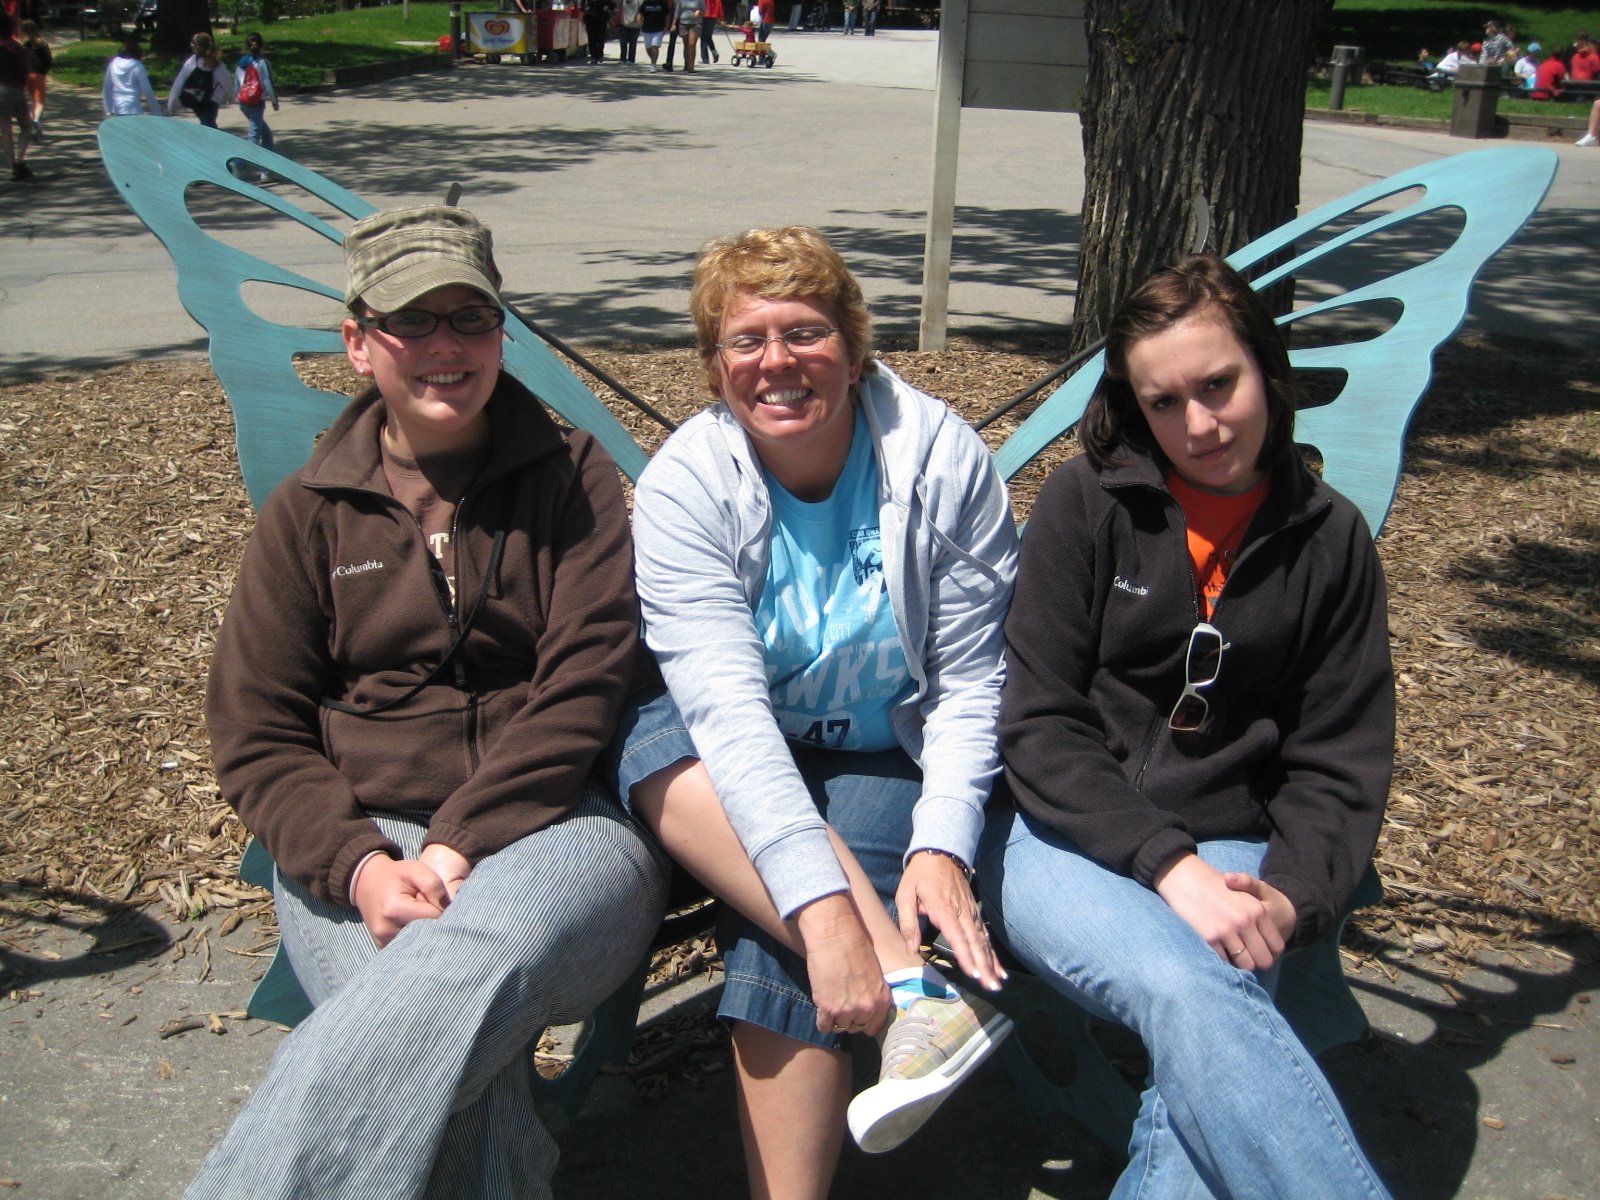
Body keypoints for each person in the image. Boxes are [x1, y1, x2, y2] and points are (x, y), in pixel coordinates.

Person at [182, 205, 669, 1200]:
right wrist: (360, 866)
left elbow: (584, 683)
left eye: (470, 318)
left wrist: (455, 849)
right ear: (358, 342)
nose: (446, 346)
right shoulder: (309, 513)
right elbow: (255, 726)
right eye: (412, 320)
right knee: (426, 1044)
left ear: (500, 334)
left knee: (440, 986)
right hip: (362, 837)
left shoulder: (570, 477)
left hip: (561, 827)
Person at [979, 254, 1396, 1200]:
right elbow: (1038, 721)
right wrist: (1170, 867)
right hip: (1057, 834)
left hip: (1233, 841)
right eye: (1164, 402)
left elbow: (1340, 759)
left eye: (1218, 385)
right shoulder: (1087, 505)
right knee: (1192, 984)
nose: (1200, 425)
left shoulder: (1330, 541)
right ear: (1134, 405)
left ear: (1267, 370)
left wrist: (1290, 898)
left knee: (1212, 1007)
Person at [620, 226, 1016, 1199]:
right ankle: (914, 989)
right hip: (728, 756)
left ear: (853, 345)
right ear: (714, 364)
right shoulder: (687, 486)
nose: (777, 362)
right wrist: (832, 923)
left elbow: (972, 681)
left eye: (805, 332)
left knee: (776, 935)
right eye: (745, 340)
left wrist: (942, 841)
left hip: (884, 754)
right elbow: (728, 720)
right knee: (649, 735)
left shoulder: (939, 460)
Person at [168, 31, 231, 128]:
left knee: (207, 124)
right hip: (211, 100)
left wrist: (172, 104)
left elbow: (179, 83)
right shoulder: (216, 62)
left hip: (195, 98)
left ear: (195, 47)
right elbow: (226, 81)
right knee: (209, 125)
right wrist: (231, 97)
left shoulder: (192, 62)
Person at [233, 32, 279, 163]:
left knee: (266, 135)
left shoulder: (241, 63)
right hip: (256, 102)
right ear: (262, 46)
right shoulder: (262, 63)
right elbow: (268, 83)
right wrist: (274, 101)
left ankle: (267, 167)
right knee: (254, 137)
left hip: (244, 102)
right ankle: (239, 164)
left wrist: (238, 97)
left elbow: (236, 83)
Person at [0, 10, 29, 181]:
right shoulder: (15, 47)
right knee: (26, 125)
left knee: (6, 130)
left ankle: (12, 166)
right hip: (13, 88)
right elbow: (23, 71)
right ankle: (20, 159)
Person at [102, 34, 161, 117]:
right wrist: (156, 112)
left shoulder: (113, 64)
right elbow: (147, 90)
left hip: (117, 108)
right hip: (134, 109)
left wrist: (108, 110)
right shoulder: (138, 66)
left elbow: (107, 88)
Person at [18, 18, 45, 141]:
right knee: (38, 101)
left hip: (25, 74)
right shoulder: (42, 43)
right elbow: (48, 60)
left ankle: (31, 120)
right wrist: (43, 71)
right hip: (38, 74)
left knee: (30, 100)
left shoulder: (20, 44)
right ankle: (36, 120)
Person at [673, 0, 704, 71]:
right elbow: (677, 12)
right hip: (683, 24)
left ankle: (691, 67)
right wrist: (673, 24)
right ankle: (687, 64)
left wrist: (699, 12)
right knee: (686, 45)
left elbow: (704, 12)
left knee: (692, 44)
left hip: (696, 24)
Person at [640, 0, 669, 69]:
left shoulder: (663, 3)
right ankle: (653, 60)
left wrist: (667, 26)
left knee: (654, 46)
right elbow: (641, 13)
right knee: (648, 48)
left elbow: (667, 15)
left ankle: (653, 64)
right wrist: (639, 22)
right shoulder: (646, 3)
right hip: (646, 28)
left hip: (659, 28)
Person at [701, 0, 723, 64]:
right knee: (708, 37)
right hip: (713, 16)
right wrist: (721, 18)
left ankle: (705, 59)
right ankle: (714, 52)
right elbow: (719, 5)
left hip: (704, 15)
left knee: (703, 38)